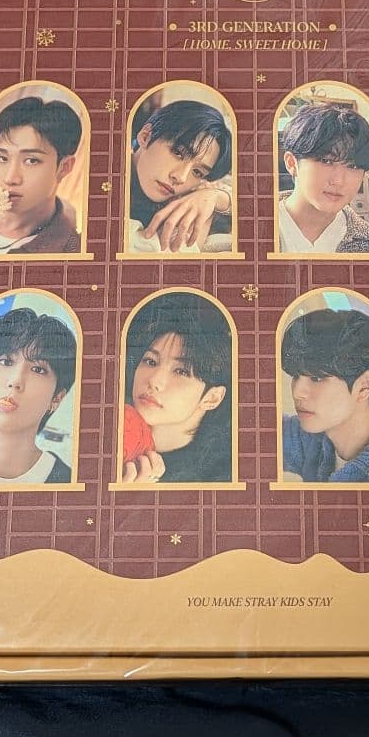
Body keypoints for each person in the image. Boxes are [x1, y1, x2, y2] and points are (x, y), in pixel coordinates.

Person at [122, 293, 232, 483]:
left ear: (212, 397)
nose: (154, 381)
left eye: (181, 371)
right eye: (150, 361)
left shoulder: (218, 477)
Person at [0, 307, 76, 485]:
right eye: (6, 361)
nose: (15, 381)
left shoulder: (67, 481)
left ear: (57, 398)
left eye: (38, 369)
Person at [281, 308, 369, 483]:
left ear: (364, 386)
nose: (297, 392)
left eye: (317, 378)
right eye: (296, 376)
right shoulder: (306, 437)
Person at [0, 96, 83, 254]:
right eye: (2, 158)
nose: (10, 179)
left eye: (31, 160)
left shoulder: (68, 249)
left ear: (64, 168)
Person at [127, 100, 233, 253]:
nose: (181, 177)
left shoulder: (193, 191)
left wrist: (215, 197)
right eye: (178, 153)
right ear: (146, 136)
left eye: (197, 172)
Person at [277, 103, 369, 253]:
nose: (338, 181)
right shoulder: (249, 225)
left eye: (352, 166)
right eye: (326, 161)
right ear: (291, 163)